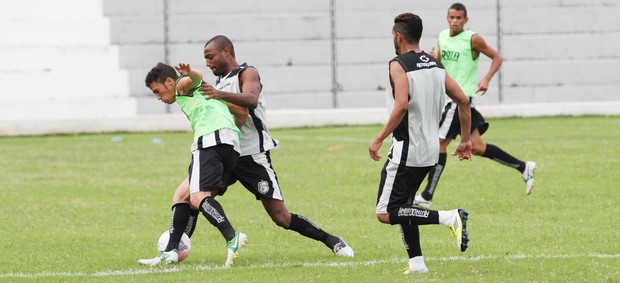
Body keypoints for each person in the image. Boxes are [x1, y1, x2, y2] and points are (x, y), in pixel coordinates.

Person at [369, 13, 472, 274]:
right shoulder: (436, 65)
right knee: (404, 207)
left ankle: (449, 217)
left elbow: (401, 104)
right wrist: (466, 141)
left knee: (386, 212)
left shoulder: (398, 64)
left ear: (398, 36)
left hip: (407, 150)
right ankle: (417, 264)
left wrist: (380, 138)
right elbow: (463, 100)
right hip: (430, 151)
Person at [414, 2, 537, 209]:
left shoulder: (473, 39)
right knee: (478, 147)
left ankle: (426, 196)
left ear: (466, 20)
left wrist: (487, 78)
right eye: (451, 17)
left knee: (439, 144)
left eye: (458, 18)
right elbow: (444, 62)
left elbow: (497, 57)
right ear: (447, 18)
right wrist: (435, 58)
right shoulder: (443, 36)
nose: (454, 21)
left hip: (460, 99)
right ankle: (524, 167)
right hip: (449, 100)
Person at [139, 62, 248, 267]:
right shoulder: (210, 95)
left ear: (170, 81)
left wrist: (190, 73)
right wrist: (230, 132)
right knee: (182, 195)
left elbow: (195, 78)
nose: (158, 97)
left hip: (209, 141)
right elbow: (242, 113)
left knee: (198, 197)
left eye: (157, 91)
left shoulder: (182, 86)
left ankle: (232, 236)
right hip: (229, 145)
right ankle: (170, 251)